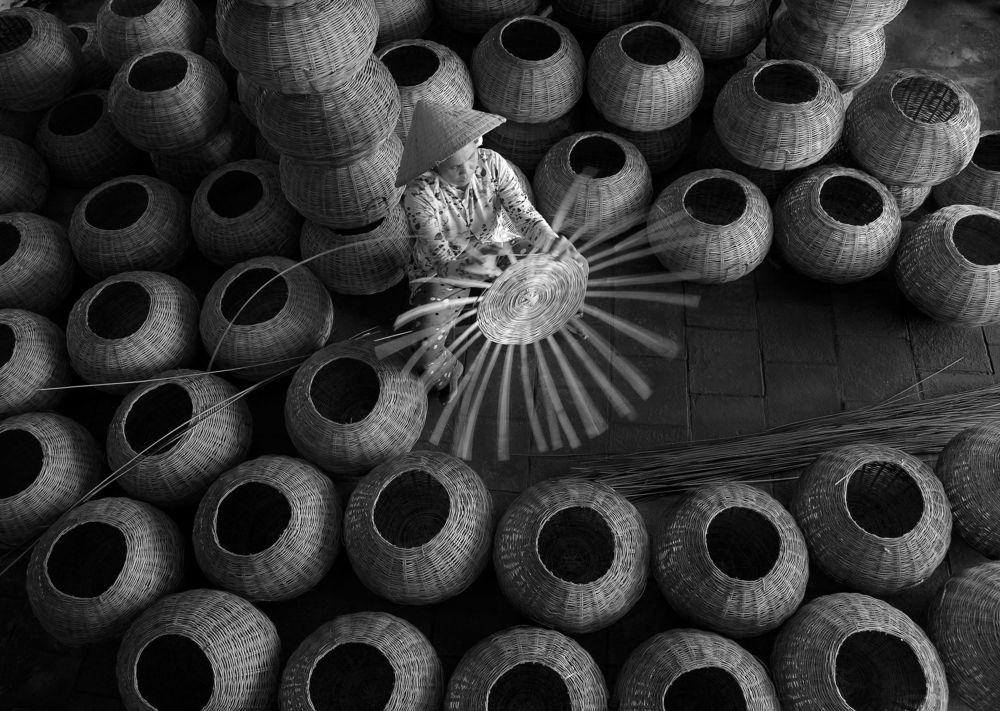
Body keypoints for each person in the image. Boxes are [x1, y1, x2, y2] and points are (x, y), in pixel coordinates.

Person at [395, 99, 581, 398]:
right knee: (424, 341)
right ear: (435, 162)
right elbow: (443, 262)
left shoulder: (492, 163)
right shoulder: (419, 194)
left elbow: (523, 214)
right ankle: (447, 369)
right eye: (456, 166)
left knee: (563, 262)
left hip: (497, 248)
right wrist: (474, 265)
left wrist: (550, 241)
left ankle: (558, 308)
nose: (468, 170)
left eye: (471, 158)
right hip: (445, 274)